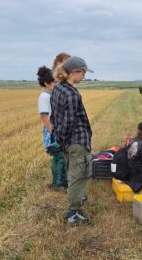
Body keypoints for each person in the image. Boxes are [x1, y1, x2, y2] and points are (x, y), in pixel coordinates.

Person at [50, 56, 94, 225]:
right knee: (79, 175)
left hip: (67, 141)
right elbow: (69, 122)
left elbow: (55, 117)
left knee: (73, 172)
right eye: (83, 73)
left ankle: (75, 202)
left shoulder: (58, 88)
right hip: (77, 141)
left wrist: (59, 140)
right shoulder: (71, 94)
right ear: (74, 72)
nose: (84, 76)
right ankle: (73, 213)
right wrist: (63, 140)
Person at [37, 66, 67, 191]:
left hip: (55, 129)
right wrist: (53, 132)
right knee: (59, 157)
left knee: (58, 156)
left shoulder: (50, 95)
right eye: (54, 82)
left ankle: (58, 181)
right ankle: (59, 183)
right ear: (46, 83)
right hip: (52, 130)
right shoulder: (44, 97)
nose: (56, 84)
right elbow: (44, 117)